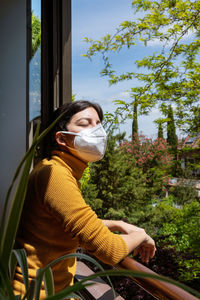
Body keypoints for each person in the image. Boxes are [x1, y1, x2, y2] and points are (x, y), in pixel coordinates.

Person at [13, 100, 156, 299]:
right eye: (84, 123)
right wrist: (141, 234)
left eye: (98, 123)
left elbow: (66, 223)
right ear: (62, 138)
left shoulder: (58, 170)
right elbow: (110, 250)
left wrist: (118, 223)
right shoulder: (55, 175)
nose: (97, 130)